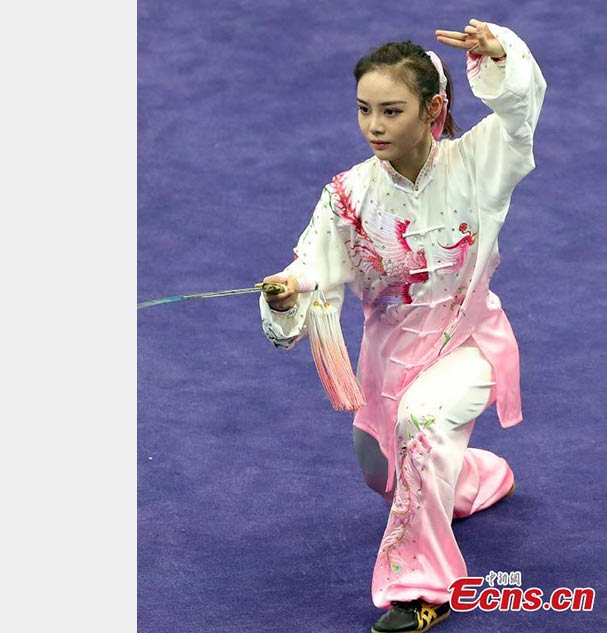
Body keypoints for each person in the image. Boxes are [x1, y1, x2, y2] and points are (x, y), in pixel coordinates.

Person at [259, 18, 546, 633]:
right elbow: (312, 267)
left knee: (422, 420)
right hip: (386, 356)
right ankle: (478, 477)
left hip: (467, 341)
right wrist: (288, 293)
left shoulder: (477, 162)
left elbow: (522, 115)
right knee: (384, 470)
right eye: (364, 110)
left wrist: (501, 60)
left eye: (392, 110)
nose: (374, 126)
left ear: (434, 108)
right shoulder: (346, 195)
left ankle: (424, 589)